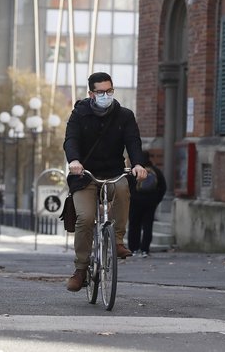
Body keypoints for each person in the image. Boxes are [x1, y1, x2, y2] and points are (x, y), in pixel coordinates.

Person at [63, 71, 148, 292]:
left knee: (123, 189)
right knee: (85, 218)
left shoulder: (124, 115)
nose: (105, 95)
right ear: (91, 94)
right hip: (84, 175)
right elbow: (70, 140)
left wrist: (138, 164)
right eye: (100, 92)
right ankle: (81, 269)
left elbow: (133, 142)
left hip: (113, 173)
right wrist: (74, 160)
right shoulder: (79, 114)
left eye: (109, 91)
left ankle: (117, 241)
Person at [128, 151, 167, 257]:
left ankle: (133, 249)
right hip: (150, 202)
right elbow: (163, 187)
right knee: (148, 225)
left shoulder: (134, 171)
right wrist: (156, 200)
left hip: (135, 202)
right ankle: (145, 249)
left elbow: (128, 187)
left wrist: (131, 198)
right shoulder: (156, 171)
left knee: (134, 225)